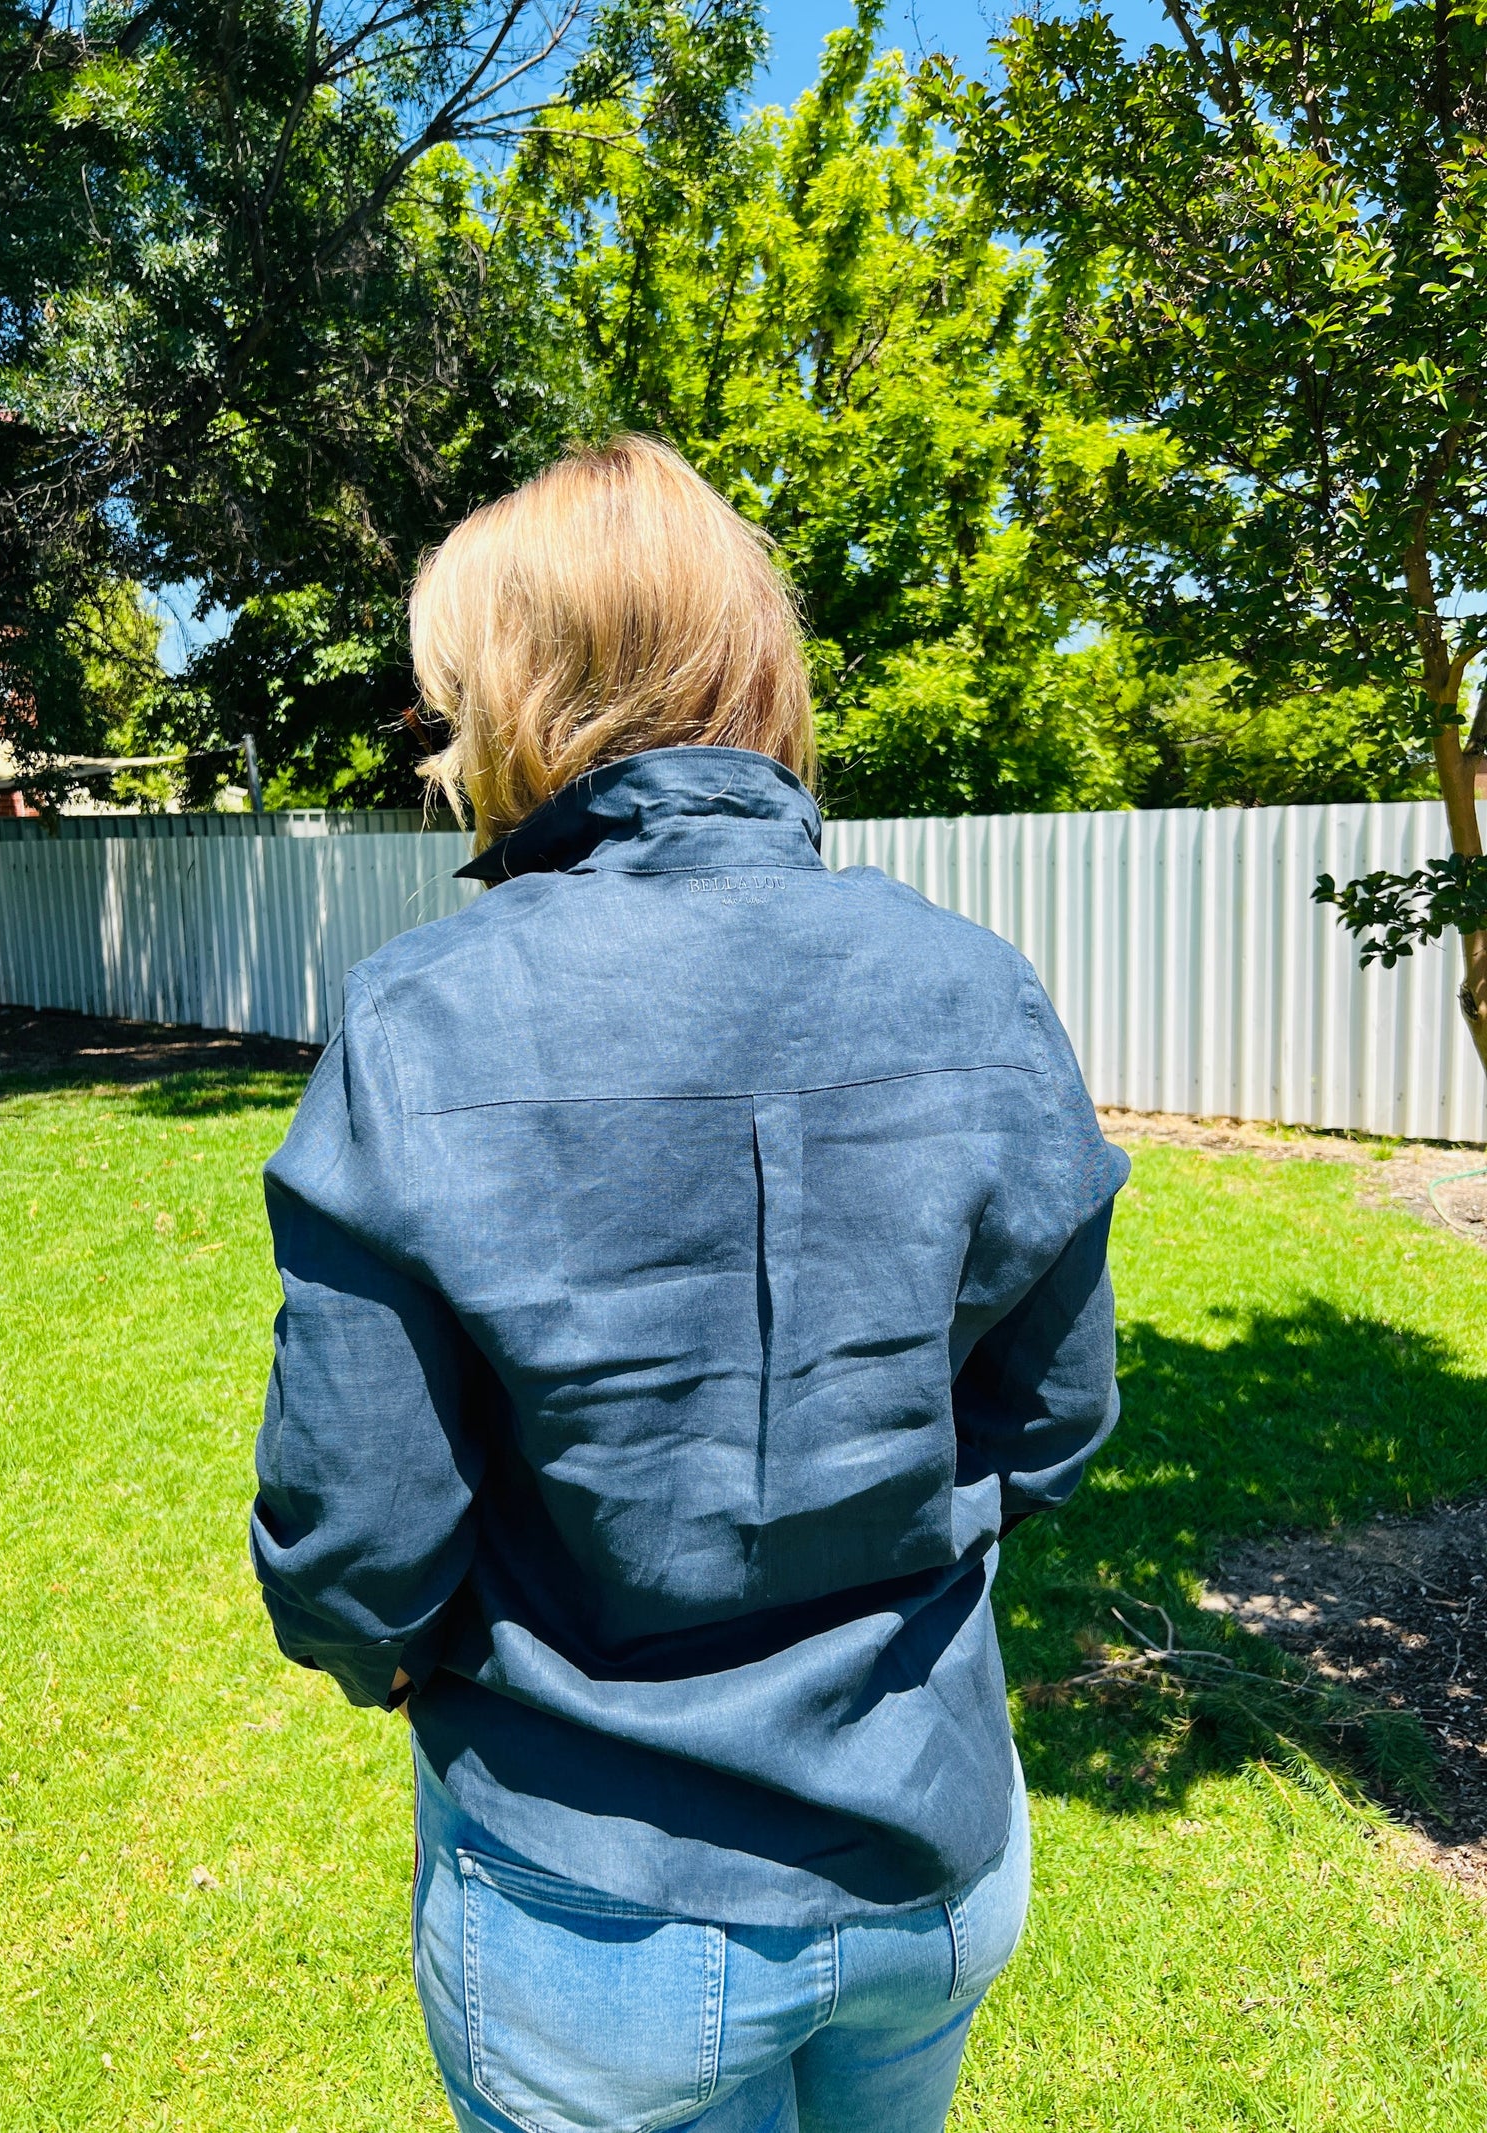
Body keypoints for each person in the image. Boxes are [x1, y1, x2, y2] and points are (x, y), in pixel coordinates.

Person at [250, 435, 1128, 2133]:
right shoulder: (977, 986)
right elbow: (1056, 1423)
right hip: (925, 1857)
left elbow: (356, 1547)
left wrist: (416, 1668)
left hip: (596, 1902)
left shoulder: (423, 1018)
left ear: (512, 695)